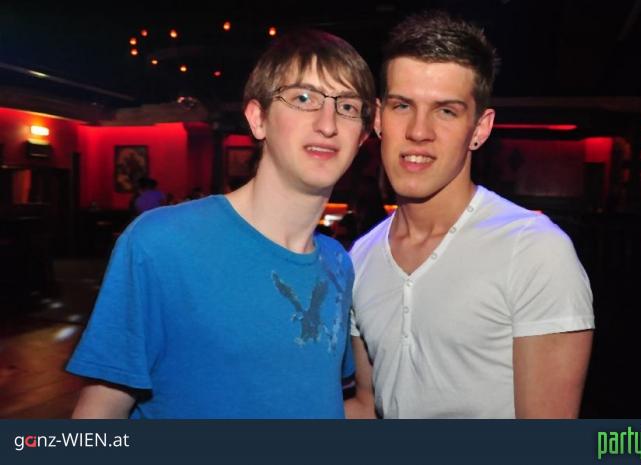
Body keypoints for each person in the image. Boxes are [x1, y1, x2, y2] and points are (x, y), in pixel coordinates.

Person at [66, 29, 375, 418]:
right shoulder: (162, 243)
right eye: (302, 98)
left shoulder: (338, 263)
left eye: (347, 106)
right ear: (258, 119)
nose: (327, 123)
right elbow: (99, 413)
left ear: (362, 136)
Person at [345, 11, 594, 419]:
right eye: (402, 105)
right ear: (377, 118)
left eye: (446, 111)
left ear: (479, 128)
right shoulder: (360, 257)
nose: (419, 131)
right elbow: (368, 406)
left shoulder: (533, 251)